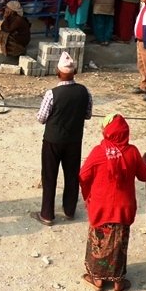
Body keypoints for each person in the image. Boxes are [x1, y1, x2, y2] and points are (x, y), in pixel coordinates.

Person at [79, 113, 146, 291]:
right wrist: (144, 162)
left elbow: (83, 176)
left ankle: (98, 279)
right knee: (120, 243)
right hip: (123, 208)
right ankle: (118, 282)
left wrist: (88, 195)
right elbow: (145, 176)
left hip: (101, 207)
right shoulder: (132, 152)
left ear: (107, 132)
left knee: (99, 242)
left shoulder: (99, 152)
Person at [31, 51, 92, 225]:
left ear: (58, 73)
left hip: (53, 140)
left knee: (49, 176)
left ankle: (47, 214)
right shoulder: (85, 92)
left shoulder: (52, 94)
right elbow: (87, 114)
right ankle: (69, 210)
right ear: (74, 73)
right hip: (74, 140)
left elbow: (41, 118)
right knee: (72, 175)